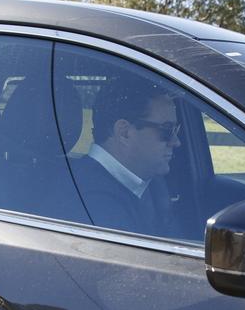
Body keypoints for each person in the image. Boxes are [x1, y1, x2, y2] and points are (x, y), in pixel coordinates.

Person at [72, 78, 182, 237]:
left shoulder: (148, 183)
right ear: (124, 132)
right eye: (167, 130)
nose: (176, 142)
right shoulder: (91, 203)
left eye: (176, 130)